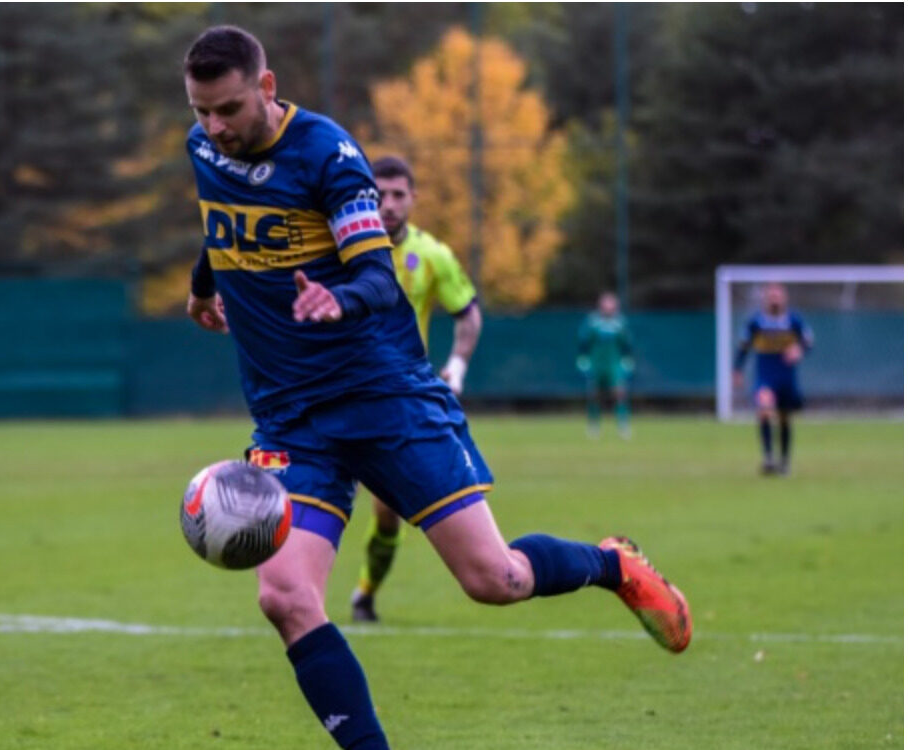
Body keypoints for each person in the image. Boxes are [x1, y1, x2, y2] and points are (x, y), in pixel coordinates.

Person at [181, 25, 691, 749]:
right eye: (201, 110)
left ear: (266, 87)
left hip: (384, 400)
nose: (214, 127)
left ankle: (613, 564)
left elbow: (376, 273)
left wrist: (339, 300)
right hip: (291, 421)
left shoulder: (329, 156)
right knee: (286, 597)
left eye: (228, 108)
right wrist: (203, 288)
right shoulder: (205, 148)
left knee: (495, 579)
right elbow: (219, 220)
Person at [348, 155, 483, 624]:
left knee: (387, 516)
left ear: (413, 198)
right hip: (332, 393)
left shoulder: (433, 256)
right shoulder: (336, 246)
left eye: (397, 195)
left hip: (393, 402)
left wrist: (457, 367)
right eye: (378, 194)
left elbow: (468, 315)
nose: (387, 204)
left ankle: (364, 593)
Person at [732, 283, 813, 475]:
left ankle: (784, 461)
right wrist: (737, 370)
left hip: (786, 378)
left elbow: (809, 341)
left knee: (785, 419)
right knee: (765, 409)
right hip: (765, 376)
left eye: (778, 296)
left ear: (784, 298)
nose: (775, 299)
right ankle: (768, 458)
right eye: (771, 296)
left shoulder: (794, 321)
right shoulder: (756, 322)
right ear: (765, 299)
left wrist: (798, 350)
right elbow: (743, 347)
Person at [577, 291, 635, 438]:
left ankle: (623, 425)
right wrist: (583, 360)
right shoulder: (592, 322)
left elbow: (627, 345)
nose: (609, 307)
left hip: (613, 365)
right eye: (606, 304)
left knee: (620, 393)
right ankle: (594, 425)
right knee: (594, 394)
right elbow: (583, 343)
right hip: (596, 364)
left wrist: (627, 361)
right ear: (600, 305)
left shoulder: (620, 323)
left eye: (612, 304)